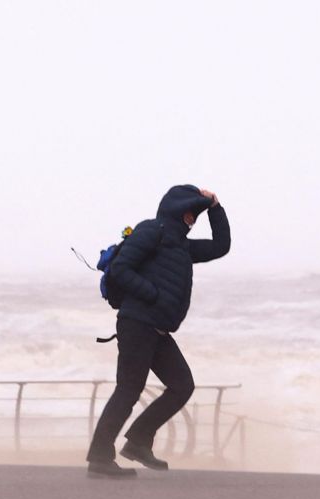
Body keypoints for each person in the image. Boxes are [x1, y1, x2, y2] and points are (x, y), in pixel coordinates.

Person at [86, 184, 231, 478]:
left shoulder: (182, 247)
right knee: (128, 389)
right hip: (137, 322)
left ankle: (138, 441)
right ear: (181, 209)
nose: (193, 220)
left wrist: (215, 208)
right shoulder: (152, 230)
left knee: (182, 386)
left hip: (158, 329)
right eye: (193, 213)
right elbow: (121, 269)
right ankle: (100, 458)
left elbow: (221, 246)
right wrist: (152, 295)